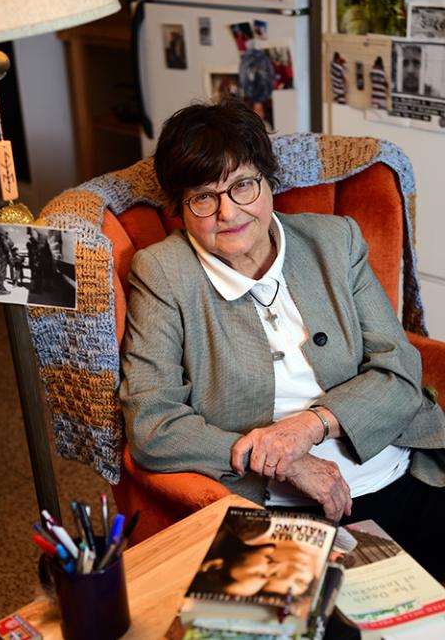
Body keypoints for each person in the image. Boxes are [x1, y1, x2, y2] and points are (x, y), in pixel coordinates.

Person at [120, 99, 445, 581]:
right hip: (276, 509)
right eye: (203, 197)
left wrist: (308, 427)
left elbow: (398, 370)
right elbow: (153, 426)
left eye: (242, 185)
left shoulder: (335, 241)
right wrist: (283, 462)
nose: (227, 212)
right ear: (181, 208)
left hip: (397, 470)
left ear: (268, 181)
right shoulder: (163, 274)